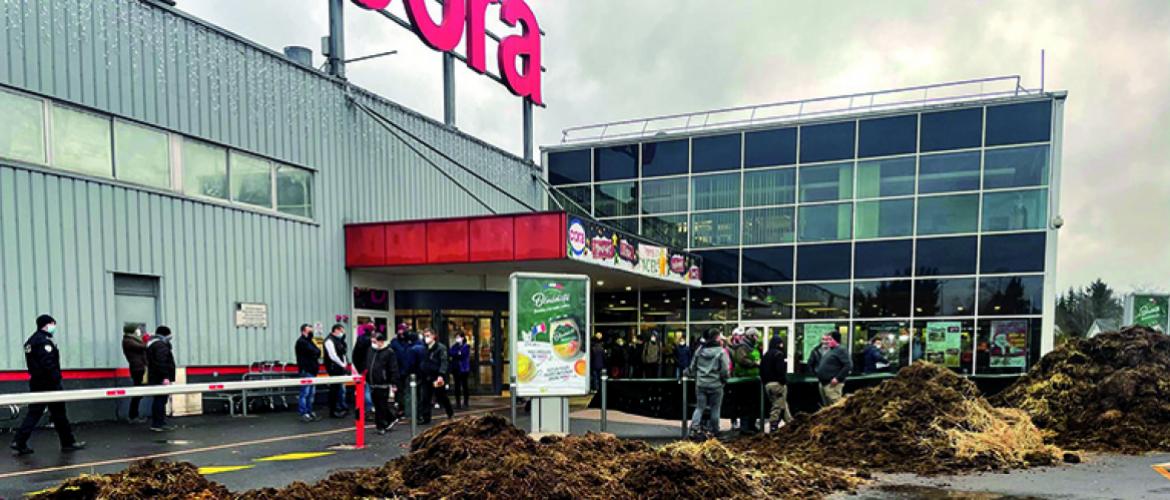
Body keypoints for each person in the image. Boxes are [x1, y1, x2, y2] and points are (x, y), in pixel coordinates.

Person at [10, 315, 85, 455]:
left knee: (35, 413)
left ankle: (19, 441)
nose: (53, 326)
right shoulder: (43, 342)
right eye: (52, 324)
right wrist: (56, 379)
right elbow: (48, 363)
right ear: (46, 324)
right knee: (59, 413)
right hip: (49, 384)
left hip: (37, 382)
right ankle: (68, 442)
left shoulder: (31, 341)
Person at [687, 328, 730, 440]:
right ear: (716, 338)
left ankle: (694, 428)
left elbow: (692, 367)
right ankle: (714, 431)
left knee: (700, 407)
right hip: (716, 385)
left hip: (701, 384)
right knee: (715, 408)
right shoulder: (721, 352)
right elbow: (725, 370)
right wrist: (724, 380)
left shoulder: (699, 350)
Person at [417, 328, 454, 424]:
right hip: (426, 376)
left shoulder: (440, 348)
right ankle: (426, 417)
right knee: (425, 397)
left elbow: (444, 362)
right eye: (425, 336)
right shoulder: (424, 348)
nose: (426, 338)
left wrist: (441, 375)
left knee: (441, 395)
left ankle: (450, 412)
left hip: (436, 376)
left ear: (433, 336)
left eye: (428, 336)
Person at [367, 331, 400, 434]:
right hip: (373, 382)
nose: (373, 344)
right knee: (379, 405)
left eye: (375, 341)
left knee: (381, 405)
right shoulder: (371, 350)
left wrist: (394, 383)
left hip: (383, 383)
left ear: (381, 342)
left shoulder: (389, 352)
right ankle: (390, 418)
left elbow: (393, 368)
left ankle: (380, 425)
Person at [807, 332, 852, 407]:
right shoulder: (830, 350)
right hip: (823, 382)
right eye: (826, 339)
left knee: (835, 406)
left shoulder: (841, 350)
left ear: (836, 340)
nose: (828, 342)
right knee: (827, 407)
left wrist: (837, 378)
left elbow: (848, 365)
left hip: (832, 384)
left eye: (830, 339)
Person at [146, 326, 177, 432]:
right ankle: (158, 423)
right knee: (160, 400)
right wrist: (165, 377)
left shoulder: (153, 344)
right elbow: (162, 362)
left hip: (155, 376)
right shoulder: (161, 346)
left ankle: (159, 422)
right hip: (161, 377)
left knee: (159, 400)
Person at [733, 328, 763, 433]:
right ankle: (744, 427)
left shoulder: (752, 347)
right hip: (744, 380)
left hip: (753, 379)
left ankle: (751, 425)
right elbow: (742, 360)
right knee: (745, 404)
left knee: (753, 404)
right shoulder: (742, 347)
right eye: (756, 336)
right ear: (751, 336)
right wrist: (755, 363)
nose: (757, 338)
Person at [760, 335, 792, 432]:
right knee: (777, 405)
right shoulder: (779, 354)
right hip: (777, 384)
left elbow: (761, 370)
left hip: (767, 384)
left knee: (782, 403)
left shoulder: (766, 355)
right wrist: (783, 381)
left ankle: (790, 422)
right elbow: (780, 370)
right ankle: (773, 426)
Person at [294, 324, 322, 422]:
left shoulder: (310, 341)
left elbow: (318, 352)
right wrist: (315, 352)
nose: (311, 333)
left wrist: (316, 352)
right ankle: (304, 412)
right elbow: (313, 352)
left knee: (311, 393)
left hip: (313, 370)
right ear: (303, 331)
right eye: (309, 331)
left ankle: (309, 411)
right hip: (306, 370)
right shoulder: (301, 342)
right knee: (305, 393)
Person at [121, 324, 148, 423]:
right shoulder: (128, 341)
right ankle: (133, 416)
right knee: (137, 393)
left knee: (138, 392)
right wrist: (146, 339)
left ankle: (134, 415)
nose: (139, 331)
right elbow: (143, 347)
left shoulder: (132, 339)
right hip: (137, 368)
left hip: (140, 367)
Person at [323, 324, 352, 418]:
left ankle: (340, 407)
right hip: (333, 367)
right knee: (334, 389)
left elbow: (343, 353)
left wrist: (345, 364)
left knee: (340, 389)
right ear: (336, 330)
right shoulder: (329, 340)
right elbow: (333, 356)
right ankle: (333, 410)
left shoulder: (338, 340)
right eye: (341, 331)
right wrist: (342, 364)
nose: (342, 333)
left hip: (340, 367)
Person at [352, 323, 375, 420]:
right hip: (369, 367)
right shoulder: (370, 342)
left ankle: (365, 409)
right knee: (368, 389)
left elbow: (355, 355)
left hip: (361, 367)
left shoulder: (359, 340)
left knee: (365, 388)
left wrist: (358, 367)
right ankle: (370, 409)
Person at [390, 324, 413, 416]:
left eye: (403, 330)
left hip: (407, 369)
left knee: (407, 390)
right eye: (400, 330)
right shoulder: (394, 342)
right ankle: (401, 408)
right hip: (398, 369)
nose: (401, 332)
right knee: (399, 391)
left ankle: (406, 408)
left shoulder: (409, 341)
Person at [448, 332, 471, 409]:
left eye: (459, 337)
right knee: (457, 387)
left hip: (464, 369)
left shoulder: (466, 346)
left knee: (465, 386)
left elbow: (463, 355)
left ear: (463, 338)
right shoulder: (455, 346)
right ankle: (458, 403)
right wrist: (457, 353)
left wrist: (457, 354)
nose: (457, 339)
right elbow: (450, 352)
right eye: (456, 337)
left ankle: (465, 402)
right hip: (456, 369)